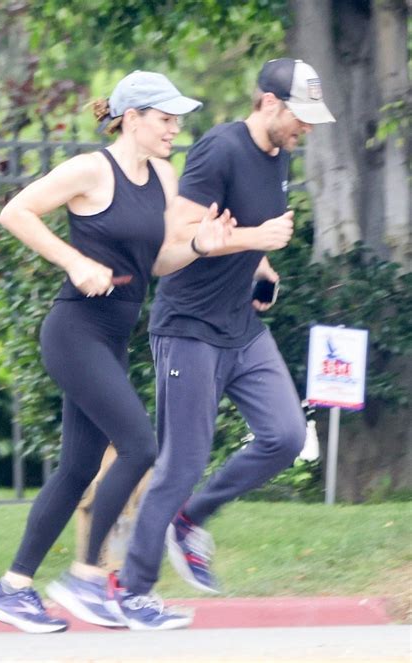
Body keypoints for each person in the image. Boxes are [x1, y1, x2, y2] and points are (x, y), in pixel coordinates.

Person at [0, 70, 235, 634]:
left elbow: (159, 260)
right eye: (165, 118)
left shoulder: (164, 177)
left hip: (112, 337)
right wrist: (73, 261)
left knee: (75, 468)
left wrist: (197, 244)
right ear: (134, 118)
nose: (174, 128)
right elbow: (15, 212)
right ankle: (85, 577)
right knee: (140, 445)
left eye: (176, 119)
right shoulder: (92, 169)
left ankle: (12, 587)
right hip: (74, 331)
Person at [106, 58, 336, 625]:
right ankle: (132, 589)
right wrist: (256, 238)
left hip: (240, 326)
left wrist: (259, 265)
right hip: (188, 329)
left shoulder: (278, 157)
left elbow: (233, 228)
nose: (305, 129)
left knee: (285, 435)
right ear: (267, 103)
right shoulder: (218, 149)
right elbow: (172, 244)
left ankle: (189, 521)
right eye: (298, 117)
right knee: (181, 463)